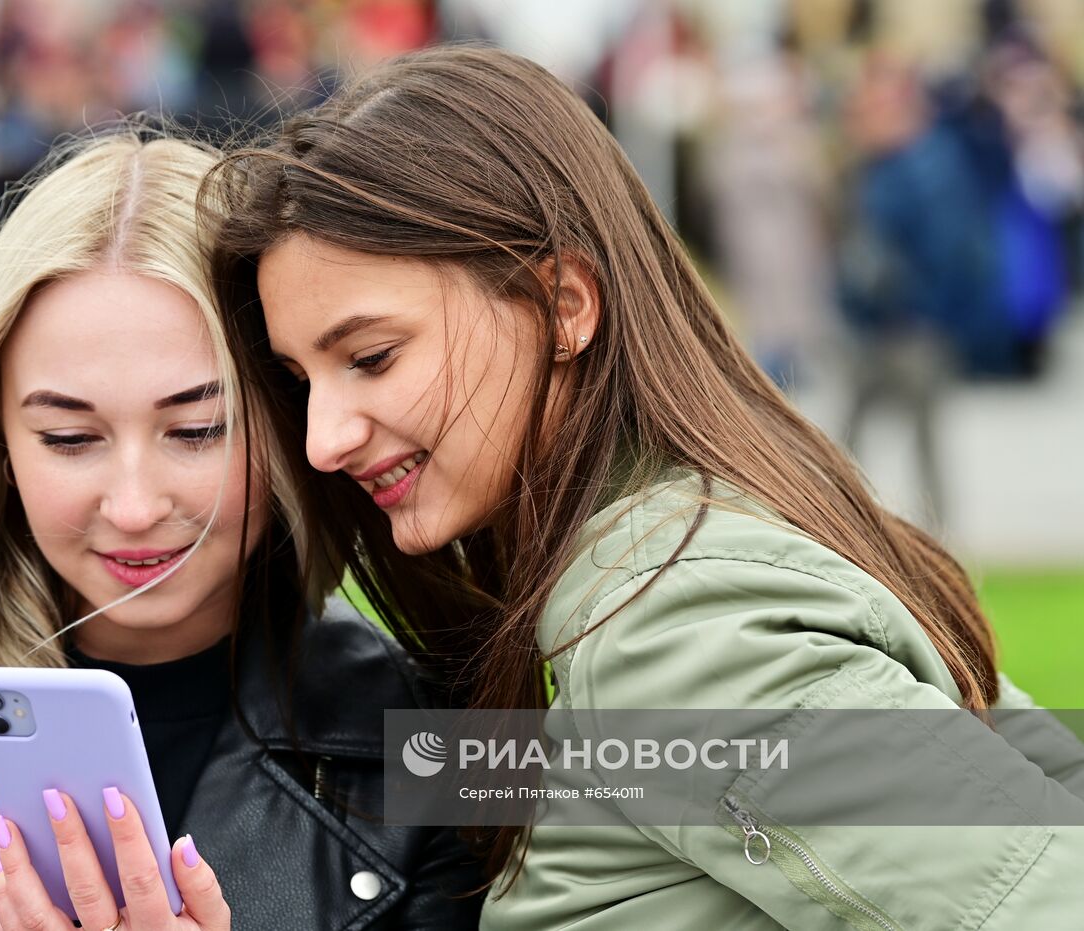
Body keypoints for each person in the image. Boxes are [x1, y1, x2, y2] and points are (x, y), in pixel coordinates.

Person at [207, 44, 1084, 929]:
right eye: (301, 379)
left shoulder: (673, 624)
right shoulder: (649, 566)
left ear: (564, 306)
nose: (323, 439)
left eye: (371, 358)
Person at [0, 132, 483, 930]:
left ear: (287, 424)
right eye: (70, 439)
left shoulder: (432, 736)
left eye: (198, 428)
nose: (133, 507)